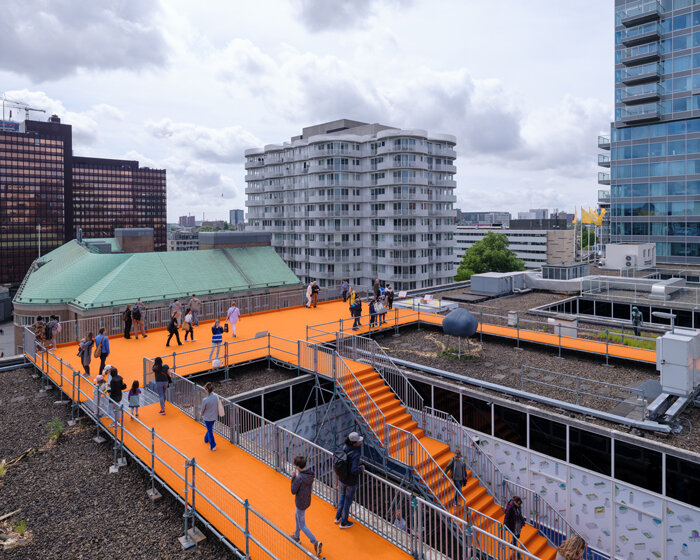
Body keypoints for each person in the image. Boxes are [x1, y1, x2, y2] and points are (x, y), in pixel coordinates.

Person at [290, 455, 322, 557]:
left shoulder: (299, 478)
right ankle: (296, 536)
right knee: (297, 516)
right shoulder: (310, 474)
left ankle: (315, 543)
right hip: (307, 500)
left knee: (302, 525)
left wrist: (293, 477)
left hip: (300, 502)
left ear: (298, 467)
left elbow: (293, 490)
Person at [334, 431, 365, 529]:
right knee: (348, 501)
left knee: (342, 497)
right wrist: (361, 469)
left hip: (342, 478)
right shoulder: (355, 454)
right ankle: (344, 522)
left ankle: (337, 517)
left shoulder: (343, 447)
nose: (360, 442)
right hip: (351, 481)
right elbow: (354, 470)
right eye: (359, 441)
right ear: (355, 443)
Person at [200, 382, 219, 451]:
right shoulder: (216, 396)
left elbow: (202, 410)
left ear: (207, 390)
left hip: (207, 418)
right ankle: (206, 439)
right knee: (210, 428)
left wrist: (201, 414)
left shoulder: (205, 400)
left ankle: (213, 445)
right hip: (214, 416)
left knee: (210, 430)